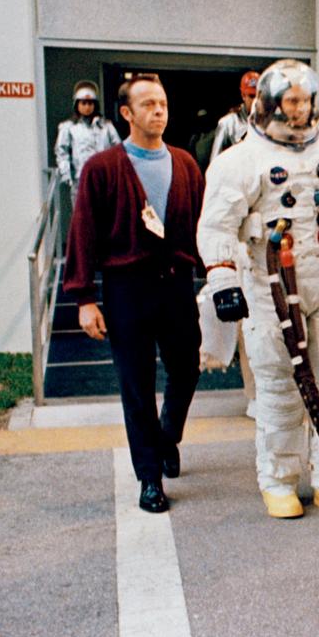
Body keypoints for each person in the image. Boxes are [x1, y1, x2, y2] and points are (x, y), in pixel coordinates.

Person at [197, 59, 319, 519]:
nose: (299, 109)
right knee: (279, 388)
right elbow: (217, 224)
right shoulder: (241, 160)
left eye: (305, 100)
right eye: (290, 100)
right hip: (268, 289)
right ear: (270, 103)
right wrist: (222, 278)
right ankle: (278, 479)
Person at [64, 74, 205, 514]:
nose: (158, 111)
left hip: (177, 284)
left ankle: (168, 437)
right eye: (147, 104)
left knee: (187, 368)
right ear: (126, 113)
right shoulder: (103, 168)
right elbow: (82, 233)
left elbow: (204, 226)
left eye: (162, 103)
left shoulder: (184, 164)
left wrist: (221, 275)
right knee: (137, 385)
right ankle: (149, 476)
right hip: (128, 289)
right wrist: (85, 298)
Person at [54, 80, 120, 237]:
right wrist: (67, 175)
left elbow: (119, 150)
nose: (87, 106)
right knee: (83, 219)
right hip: (81, 179)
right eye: (83, 103)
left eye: (91, 103)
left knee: (106, 218)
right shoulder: (69, 127)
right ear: (77, 104)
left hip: (105, 180)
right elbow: (61, 151)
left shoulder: (106, 126)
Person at [209, 70, 260, 161]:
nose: (255, 101)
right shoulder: (227, 123)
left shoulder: (269, 124)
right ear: (243, 95)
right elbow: (215, 160)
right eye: (251, 96)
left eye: (258, 96)